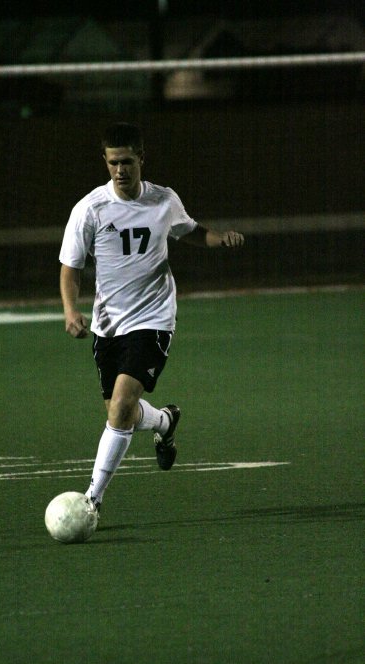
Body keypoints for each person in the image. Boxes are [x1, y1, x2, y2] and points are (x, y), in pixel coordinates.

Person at [59, 122, 244, 512]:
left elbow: (190, 231)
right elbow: (70, 268)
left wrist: (218, 237)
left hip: (154, 317)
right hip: (109, 323)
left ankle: (92, 500)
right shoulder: (90, 209)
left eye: (127, 161)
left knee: (123, 406)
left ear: (141, 159)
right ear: (105, 162)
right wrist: (70, 309)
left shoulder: (163, 200)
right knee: (118, 411)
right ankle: (163, 422)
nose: (120, 170)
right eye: (113, 163)